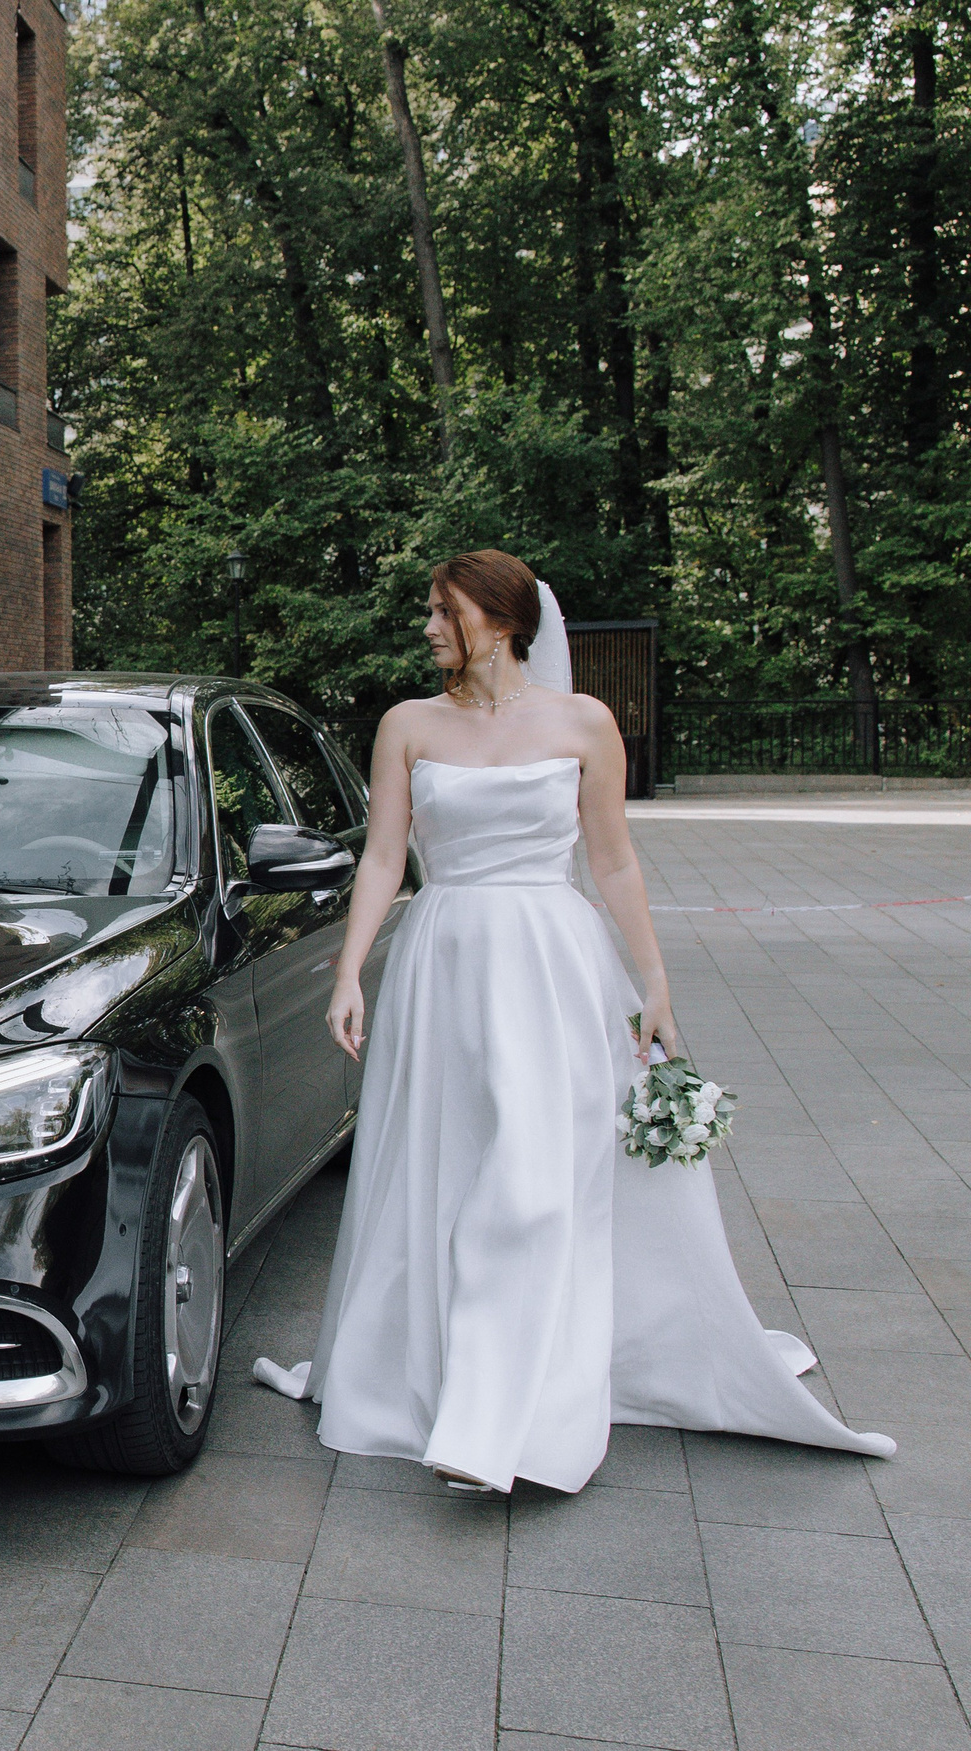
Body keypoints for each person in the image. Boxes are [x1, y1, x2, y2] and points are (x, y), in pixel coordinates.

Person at [254, 549, 892, 1492]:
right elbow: (384, 859)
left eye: (444, 610)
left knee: (536, 1179)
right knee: (452, 1163)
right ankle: (446, 1371)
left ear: (502, 623)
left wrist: (655, 985)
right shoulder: (407, 726)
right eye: (430, 610)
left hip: (552, 966)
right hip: (445, 963)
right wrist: (351, 971)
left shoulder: (586, 724)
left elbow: (616, 861)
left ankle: (497, 1423)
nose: (429, 627)